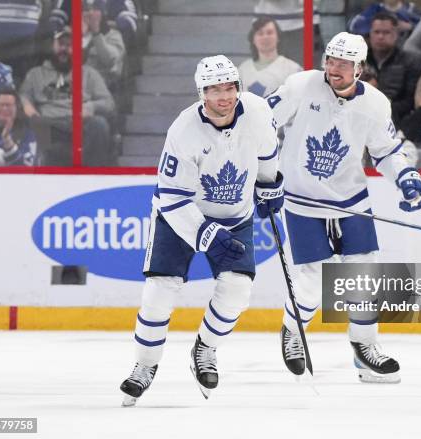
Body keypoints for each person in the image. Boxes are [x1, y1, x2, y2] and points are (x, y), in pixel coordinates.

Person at [119, 55, 283, 404]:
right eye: (214, 89)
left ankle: (205, 350)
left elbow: (268, 155)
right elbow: (173, 198)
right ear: (201, 94)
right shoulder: (183, 130)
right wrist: (207, 235)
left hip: (235, 216)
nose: (224, 96)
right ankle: (144, 366)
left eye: (229, 87)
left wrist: (270, 187)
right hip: (180, 217)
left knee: (238, 290)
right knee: (159, 292)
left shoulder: (257, 112)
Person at [267, 32, 421, 383]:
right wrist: (265, 174)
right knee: (311, 284)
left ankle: (364, 349)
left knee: (365, 277)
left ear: (359, 68)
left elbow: (386, 152)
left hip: (351, 203)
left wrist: (405, 177)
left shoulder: (375, 104)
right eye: (330, 60)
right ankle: (294, 330)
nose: (334, 68)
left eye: (343, 63)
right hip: (302, 202)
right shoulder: (300, 85)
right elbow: (264, 123)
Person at [20, 26, 116, 166]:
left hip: (80, 126)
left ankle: (92, 178)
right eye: (61, 44)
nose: (64, 49)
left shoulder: (89, 74)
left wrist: (91, 106)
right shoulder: (35, 74)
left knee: (99, 125)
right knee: (35, 128)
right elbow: (23, 97)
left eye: (69, 45)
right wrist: (32, 114)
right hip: (49, 125)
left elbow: (109, 103)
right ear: (53, 45)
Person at [362, 12, 421, 125]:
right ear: (370, 34)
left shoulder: (410, 62)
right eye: (376, 32)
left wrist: (381, 108)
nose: (380, 36)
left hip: (396, 122)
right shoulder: (358, 60)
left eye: (386, 32)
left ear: (396, 35)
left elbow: (411, 101)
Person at [238, 16, 302, 98]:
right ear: (253, 39)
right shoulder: (243, 70)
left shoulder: (293, 69)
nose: (265, 37)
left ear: (278, 37)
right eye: (260, 33)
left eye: (269, 32)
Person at [82, 0, 126, 89]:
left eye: (95, 10)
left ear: (102, 14)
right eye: (86, 10)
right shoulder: (71, 37)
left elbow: (110, 60)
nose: (90, 14)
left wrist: (96, 33)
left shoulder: (113, 36)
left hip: (103, 90)